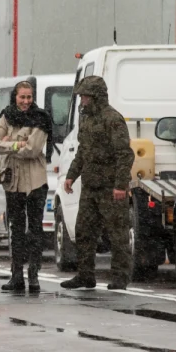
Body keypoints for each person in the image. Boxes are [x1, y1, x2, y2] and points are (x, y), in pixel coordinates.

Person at [60, 75, 135, 291]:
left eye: (85, 96)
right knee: (84, 231)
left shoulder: (113, 119)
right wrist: (71, 175)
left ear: (96, 97)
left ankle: (120, 277)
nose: (82, 101)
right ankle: (85, 276)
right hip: (90, 187)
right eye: (82, 96)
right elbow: (83, 151)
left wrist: (120, 185)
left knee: (117, 234)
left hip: (110, 188)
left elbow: (124, 155)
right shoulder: (86, 119)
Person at [0, 80, 53, 294]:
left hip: (36, 182)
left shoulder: (41, 118)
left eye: (29, 97)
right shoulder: (6, 116)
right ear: (15, 97)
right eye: (22, 97)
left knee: (35, 230)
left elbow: (33, 150)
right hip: (13, 182)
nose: (26, 101)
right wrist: (19, 143)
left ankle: (33, 276)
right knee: (16, 230)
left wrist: (10, 143)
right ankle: (16, 275)